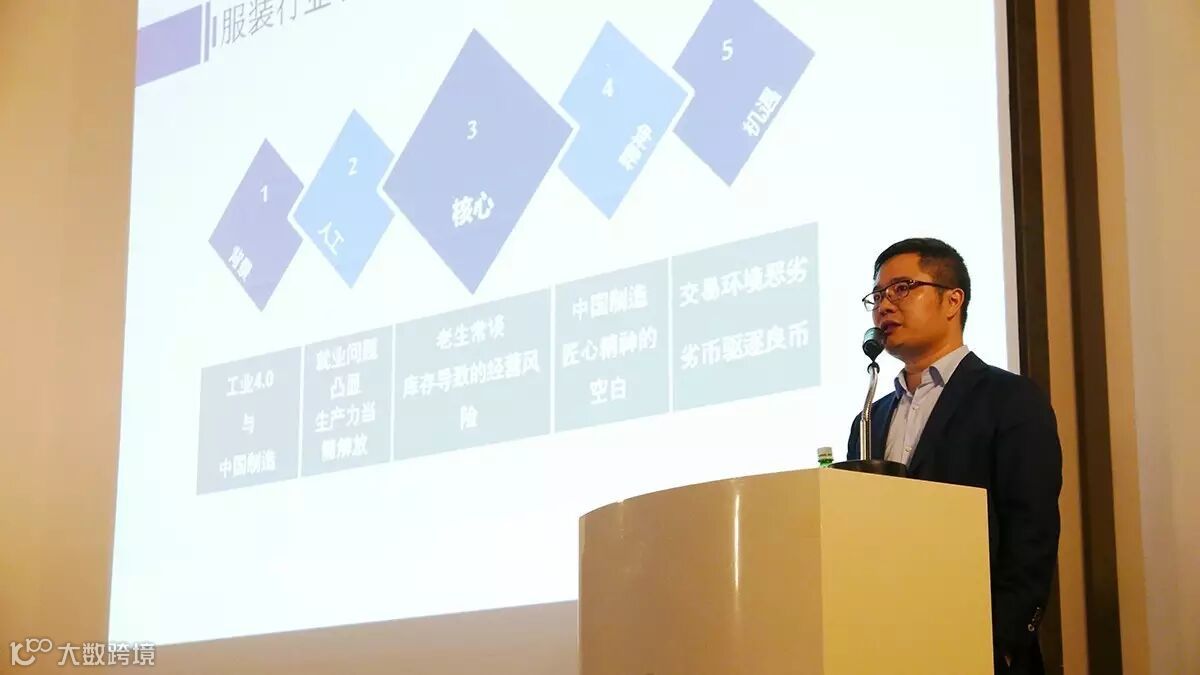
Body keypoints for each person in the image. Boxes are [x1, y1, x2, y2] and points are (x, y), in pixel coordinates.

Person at [846, 238, 1062, 675]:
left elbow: (1032, 530)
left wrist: (1001, 643)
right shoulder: (869, 419)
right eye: (877, 295)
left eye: (902, 288)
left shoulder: (1010, 398)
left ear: (952, 300)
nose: (884, 305)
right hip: (885, 644)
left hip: (979, 647)